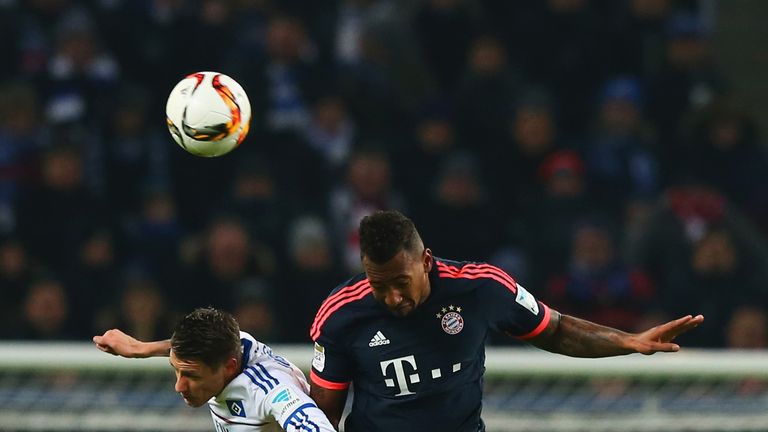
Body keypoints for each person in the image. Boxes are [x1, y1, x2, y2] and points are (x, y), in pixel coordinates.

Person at [308, 209, 704, 431]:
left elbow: (557, 330)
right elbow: (322, 414)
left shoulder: (481, 288)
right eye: (379, 286)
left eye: (400, 282)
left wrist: (628, 342)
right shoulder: (342, 314)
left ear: (426, 261)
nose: (392, 297)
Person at [93, 307, 335, 432]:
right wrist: (140, 348)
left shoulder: (271, 390)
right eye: (176, 370)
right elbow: (186, 353)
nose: (179, 386)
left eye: (191, 376)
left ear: (229, 367)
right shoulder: (229, 344)